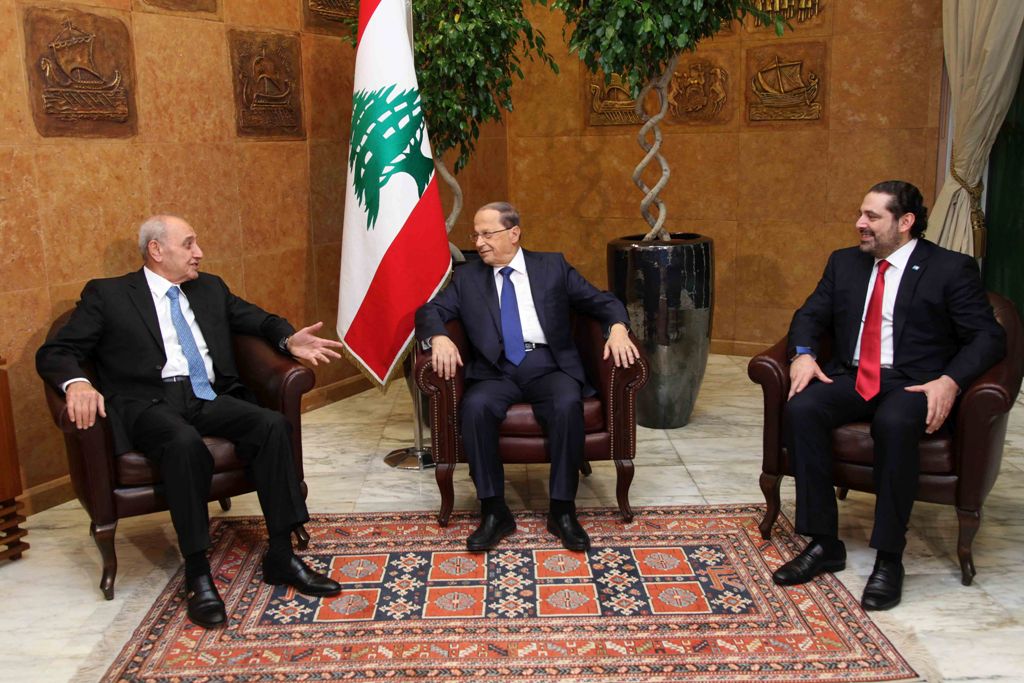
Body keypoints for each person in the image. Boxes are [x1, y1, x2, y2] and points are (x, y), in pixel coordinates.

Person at [37, 215, 346, 629]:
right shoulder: (109, 295)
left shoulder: (209, 288)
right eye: (189, 244)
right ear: (157, 250)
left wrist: (287, 338)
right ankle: (198, 571)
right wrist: (76, 383)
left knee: (272, 426)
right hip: (149, 402)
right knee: (183, 443)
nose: (199, 253)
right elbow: (56, 351)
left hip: (206, 395)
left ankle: (281, 555)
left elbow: (257, 318)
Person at [774, 181, 1005, 610]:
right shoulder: (844, 263)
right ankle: (825, 543)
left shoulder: (950, 268)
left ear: (905, 223)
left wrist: (949, 381)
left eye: (872, 217)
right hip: (853, 374)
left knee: (894, 422)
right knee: (803, 408)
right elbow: (809, 314)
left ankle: (889, 557)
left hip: (915, 381)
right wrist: (803, 355)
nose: (860, 224)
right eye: (861, 214)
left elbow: (988, 338)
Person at [415, 202, 639, 553]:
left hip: (548, 364)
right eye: (476, 234)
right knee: (475, 408)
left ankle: (562, 510)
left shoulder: (552, 266)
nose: (479, 242)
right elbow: (430, 310)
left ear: (514, 233)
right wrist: (439, 336)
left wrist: (618, 329)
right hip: (495, 369)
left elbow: (602, 300)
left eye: (488, 234)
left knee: (567, 404)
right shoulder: (468, 277)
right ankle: (494, 510)